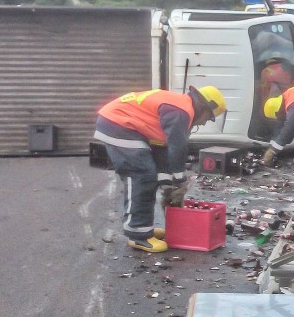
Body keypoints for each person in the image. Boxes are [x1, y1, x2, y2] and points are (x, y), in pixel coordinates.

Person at [94, 86, 227, 252]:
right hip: (118, 124)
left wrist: (167, 184)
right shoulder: (181, 111)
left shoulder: (179, 106)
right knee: (141, 175)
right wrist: (179, 181)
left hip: (122, 125)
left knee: (150, 176)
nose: (205, 122)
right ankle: (137, 234)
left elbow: (162, 151)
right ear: (204, 107)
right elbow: (177, 148)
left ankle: (144, 228)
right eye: (208, 118)